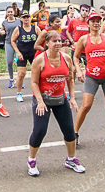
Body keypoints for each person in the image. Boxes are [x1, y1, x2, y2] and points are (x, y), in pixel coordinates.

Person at [27, 32, 84, 176]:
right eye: (54, 41)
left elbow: (70, 79)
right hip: (43, 100)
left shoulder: (66, 59)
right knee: (40, 131)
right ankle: (31, 160)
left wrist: (71, 98)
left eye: (60, 40)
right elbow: (33, 83)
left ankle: (71, 159)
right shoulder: (39, 60)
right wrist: (39, 101)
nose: (58, 43)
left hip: (60, 99)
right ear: (47, 43)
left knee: (69, 130)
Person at [73, 12, 105, 146]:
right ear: (88, 24)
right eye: (93, 21)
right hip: (91, 77)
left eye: (98, 21)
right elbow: (76, 57)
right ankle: (74, 134)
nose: (96, 23)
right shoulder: (84, 40)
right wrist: (79, 71)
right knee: (86, 106)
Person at [11, 13, 39, 103]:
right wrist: (17, 52)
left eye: (27, 17)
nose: (26, 19)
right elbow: (12, 41)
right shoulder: (18, 29)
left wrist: (40, 49)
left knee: (37, 73)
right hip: (22, 53)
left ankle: (38, 92)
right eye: (24, 17)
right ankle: (19, 93)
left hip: (33, 53)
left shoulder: (35, 28)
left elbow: (43, 37)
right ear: (21, 19)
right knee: (21, 74)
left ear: (30, 18)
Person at [1, 8, 22, 89]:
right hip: (9, 43)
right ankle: (11, 79)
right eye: (8, 12)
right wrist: (2, 32)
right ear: (6, 13)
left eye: (11, 12)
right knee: (9, 62)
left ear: (14, 12)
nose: (10, 13)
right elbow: (2, 30)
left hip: (18, 43)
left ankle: (20, 80)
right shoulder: (4, 22)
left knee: (19, 62)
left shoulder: (19, 21)